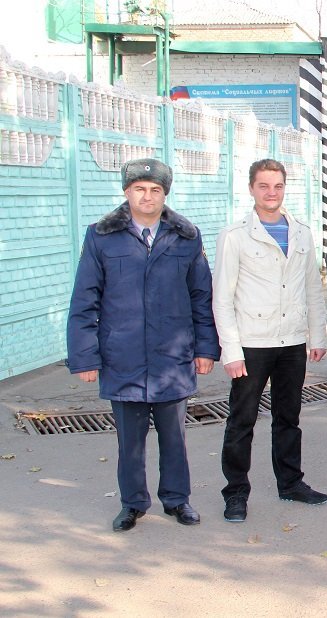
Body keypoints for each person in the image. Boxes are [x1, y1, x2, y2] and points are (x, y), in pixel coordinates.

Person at [67, 158, 220, 532]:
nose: (147, 196)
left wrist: (205, 349)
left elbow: (201, 297)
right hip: (123, 357)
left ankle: (177, 499)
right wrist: (85, 357)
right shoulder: (101, 236)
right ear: (127, 192)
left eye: (155, 190)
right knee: (129, 442)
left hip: (173, 357)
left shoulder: (186, 236)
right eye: (139, 189)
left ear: (165, 194)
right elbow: (85, 300)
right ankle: (132, 503)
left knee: (175, 438)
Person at [213, 159, 327, 523]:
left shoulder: (302, 233)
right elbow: (222, 297)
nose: (271, 193)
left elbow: (313, 287)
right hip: (251, 343)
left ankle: (290, 483)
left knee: (288, 418)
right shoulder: (234, 235)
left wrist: (317, 335)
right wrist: (231, 351)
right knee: (242, 420)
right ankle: (236, 493)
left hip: (291, 341)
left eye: (277, 186)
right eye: (263, 186)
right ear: (251, 188)